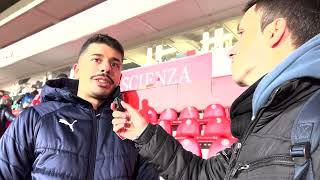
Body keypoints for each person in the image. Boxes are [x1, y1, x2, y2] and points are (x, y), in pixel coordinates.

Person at [111, 0, 320, 179]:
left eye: (241, 33)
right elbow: (201, 175)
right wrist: (143, 132)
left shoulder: (313, 116)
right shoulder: (263, 123)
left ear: (274, 32)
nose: (231, 50)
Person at [0, 34, 159, 179]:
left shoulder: (132, 128)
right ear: (77, 70)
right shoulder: (35, 118)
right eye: (97, 60)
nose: (106, 68)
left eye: (115, 64)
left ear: (120, 77)